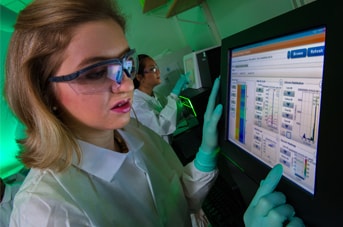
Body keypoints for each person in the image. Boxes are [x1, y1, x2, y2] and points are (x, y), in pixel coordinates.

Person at [4, 0, 304, 226]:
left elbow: (178, 199)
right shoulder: (46, 212)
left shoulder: (131, 131)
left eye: (125, 63)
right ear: (44, 94)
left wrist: (206, 154)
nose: (125, 85)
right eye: (96, 72)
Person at [131, 54, 189, 144]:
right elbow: (161, 127)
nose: (158, 72)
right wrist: (174, 94)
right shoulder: (136, 104)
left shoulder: (155, 95)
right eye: (153, 69)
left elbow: (171, 114)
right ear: (139, 77)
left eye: (156, 68)